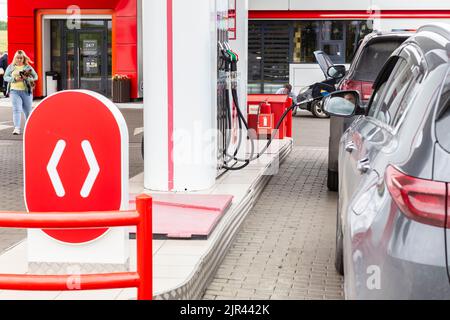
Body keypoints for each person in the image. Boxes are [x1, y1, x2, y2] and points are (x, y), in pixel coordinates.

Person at [4, 50, 38, 135]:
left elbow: (36, 76)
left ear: (23, 58)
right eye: (17, 58)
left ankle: (28, 127)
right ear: (15, 58)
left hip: (26, 91)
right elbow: (5, 77)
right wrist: (14, 79)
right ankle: (17, 128)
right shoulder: (11, 67)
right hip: (14, 91)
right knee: (16, 109)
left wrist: (27, 78)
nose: (19, 59)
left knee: (27, 111)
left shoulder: (27, 67)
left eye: (21, 58)